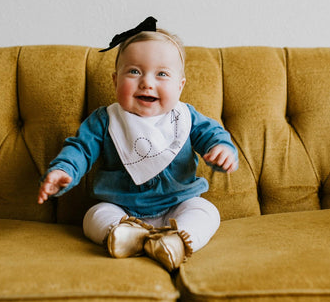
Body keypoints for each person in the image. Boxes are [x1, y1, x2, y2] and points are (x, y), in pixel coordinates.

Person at [38, 17, 238, 271]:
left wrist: (222, 150)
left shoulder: (185, 117)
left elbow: (213, 135)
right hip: (122, 209)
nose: (147, 82)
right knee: (94, 216)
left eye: (162, 74)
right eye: (134, 71)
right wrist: (64, 170)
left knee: (207, 211)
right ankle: (127, 237)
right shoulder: (105, 119)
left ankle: (177, 241)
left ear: (180, 86)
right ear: (115, 80)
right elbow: (80, 149)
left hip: (179, 204)